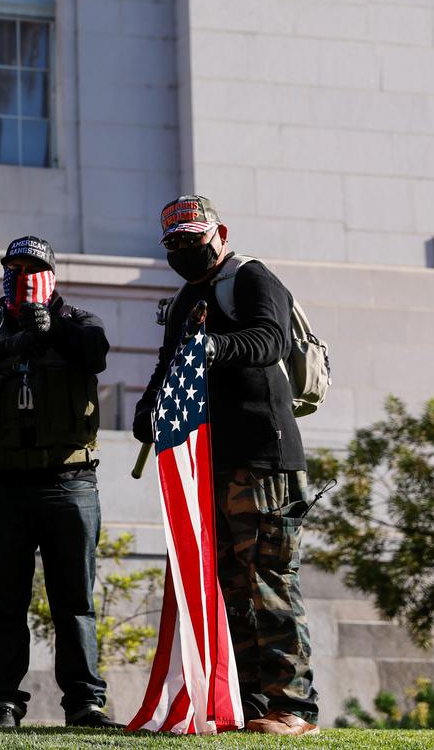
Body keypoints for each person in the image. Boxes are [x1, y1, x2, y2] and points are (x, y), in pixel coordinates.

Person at [132, 196, 319, 736]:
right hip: (211, 464)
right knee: (230, 588)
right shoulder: (185, 298)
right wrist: (150, 410)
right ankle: (250, 704)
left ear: (219, 233)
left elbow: (269, 340)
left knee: (269, 581)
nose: (186, 251)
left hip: (265, 460)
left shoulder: (253, 278)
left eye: (194, 239)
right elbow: (167, 366)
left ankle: (294, 708)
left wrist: (212, 348)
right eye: (175, 245)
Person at [0, 236, 120, 729]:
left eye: (33, 268)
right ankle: (3, 703)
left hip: (68, 483)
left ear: (52, 275)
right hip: (1, 487)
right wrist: (10, 344)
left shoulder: (80, 321)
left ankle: (85, 704)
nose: (22, 276)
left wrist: (53, 327)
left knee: (75, 603)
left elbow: (95, 355)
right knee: (4, 606)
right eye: (13, 267)